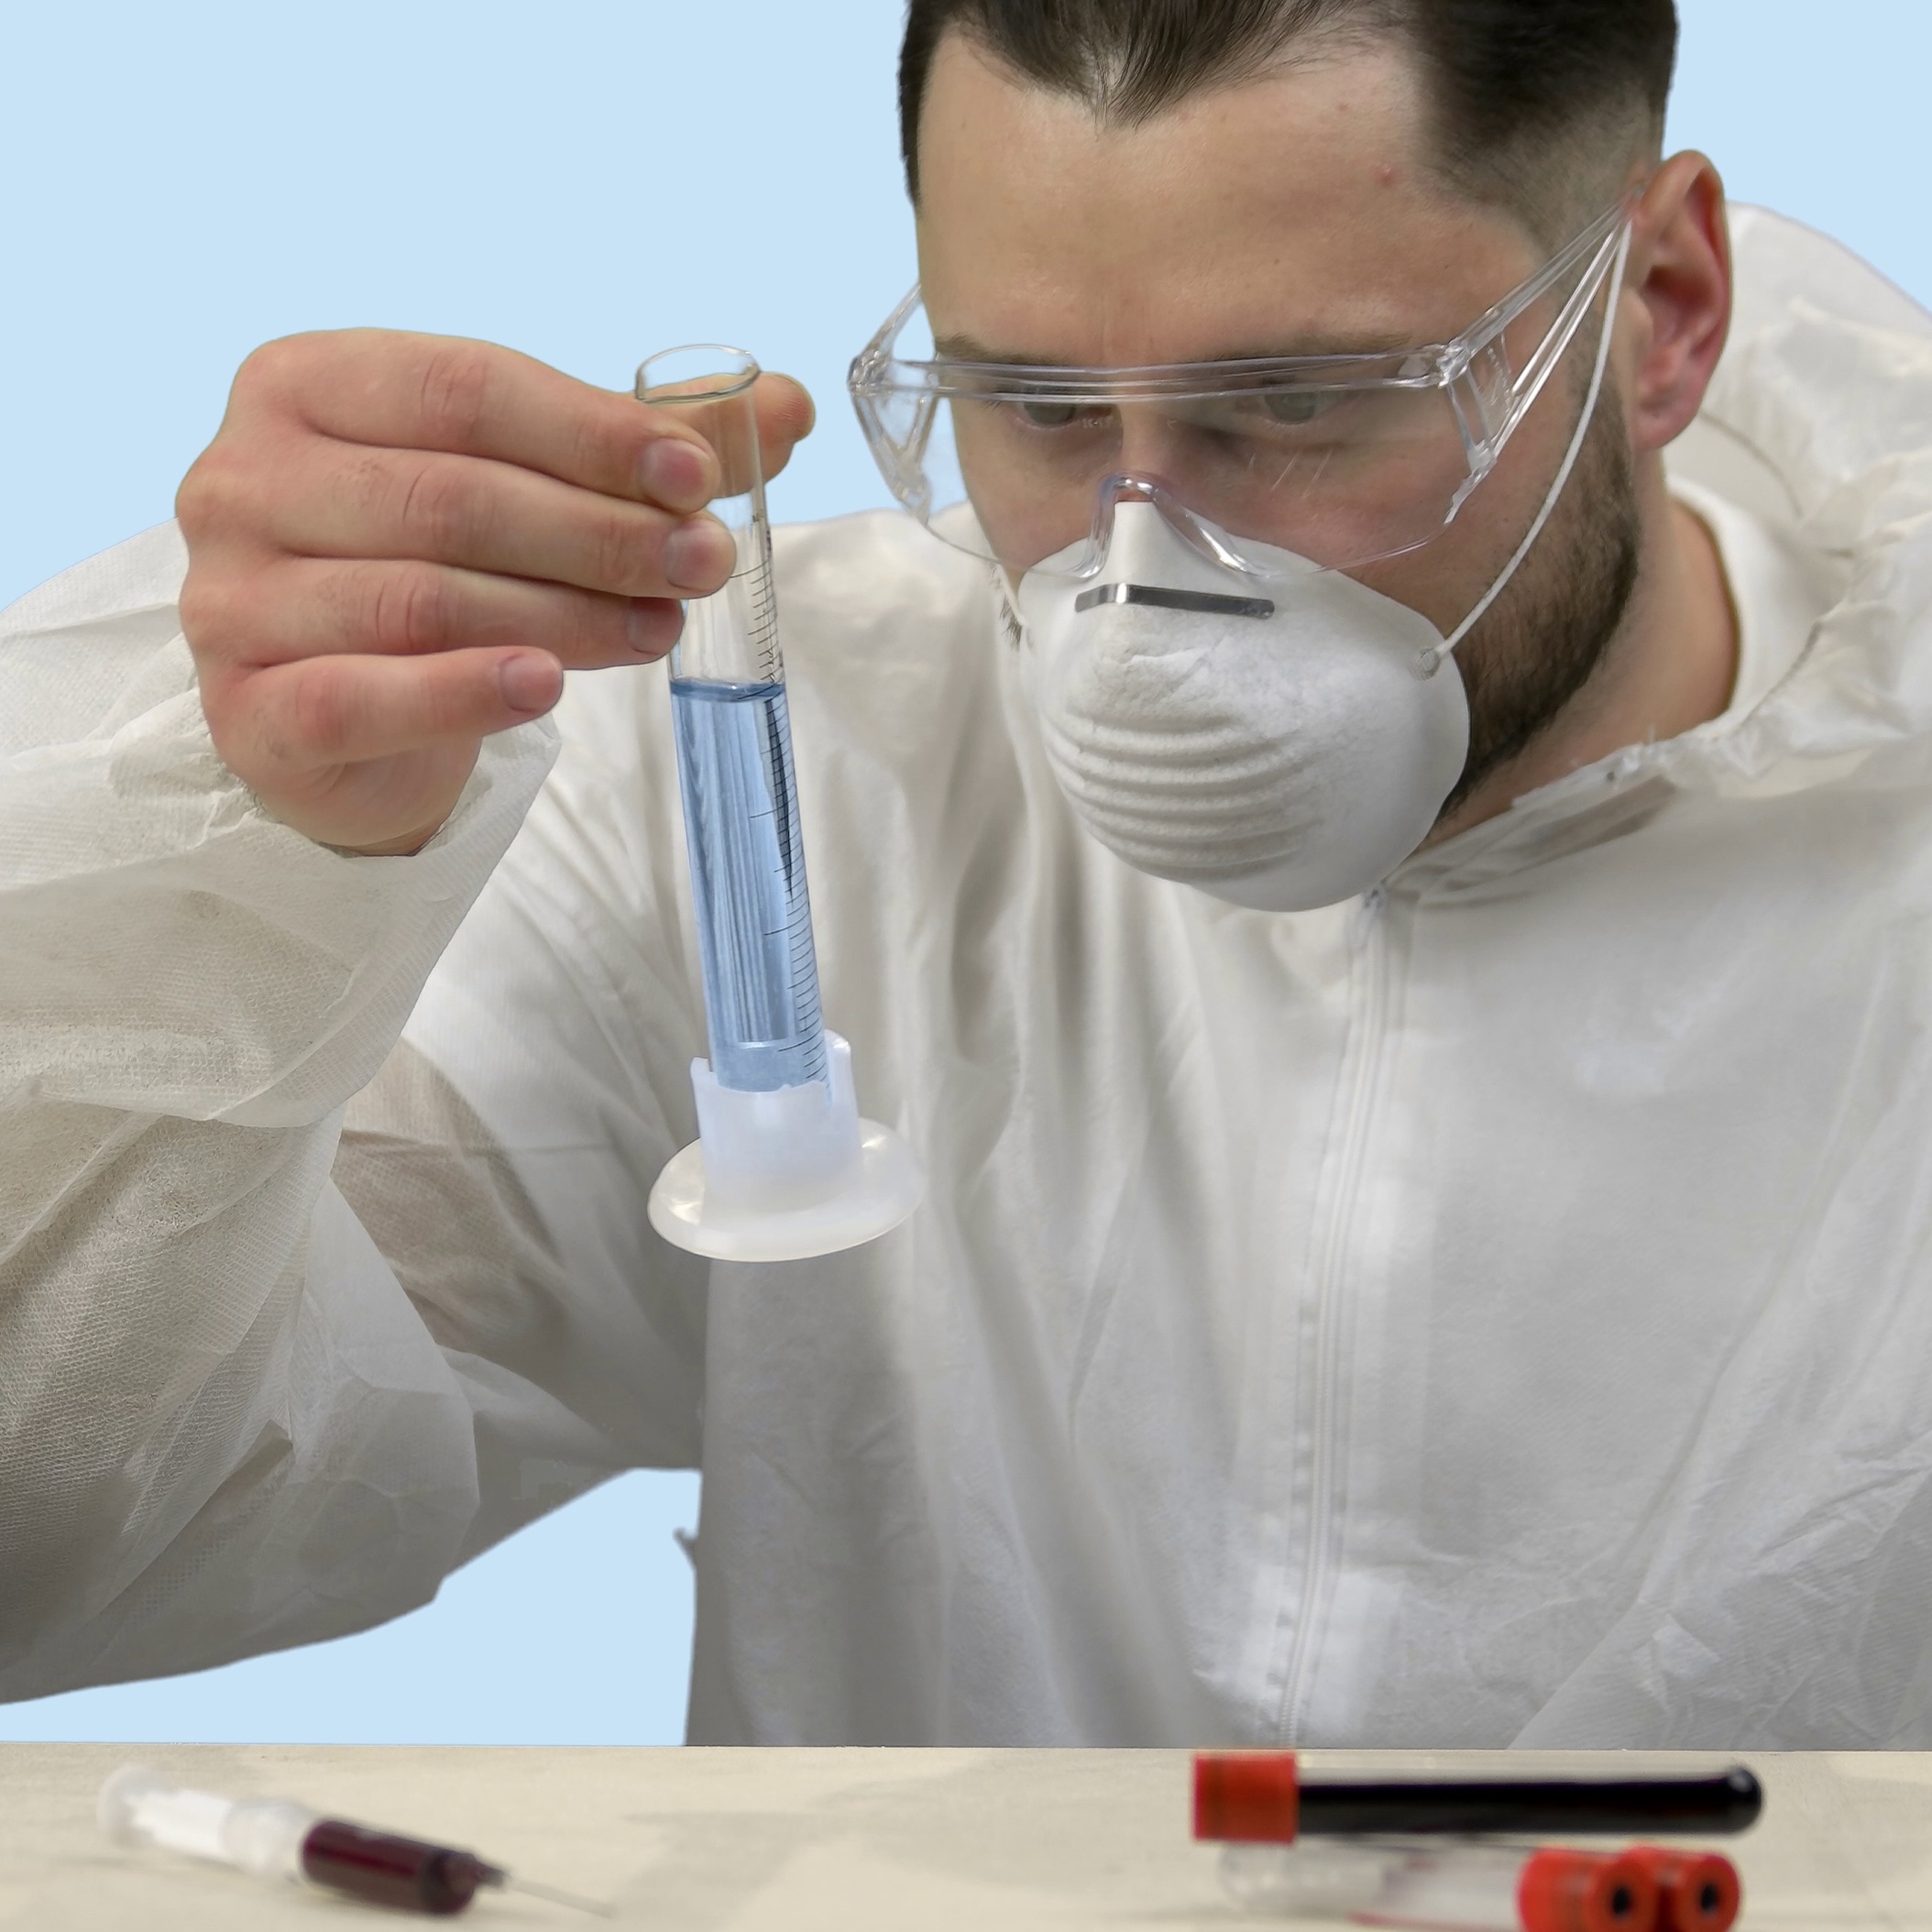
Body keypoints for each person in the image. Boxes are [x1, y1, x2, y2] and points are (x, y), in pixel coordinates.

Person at [3, 0, 1930, 1749]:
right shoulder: (796, 766)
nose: (1140, 574)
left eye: (1293, 406)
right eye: (1036, 410)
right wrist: (267, 873)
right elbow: (77, 1521)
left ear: (1662, 307)